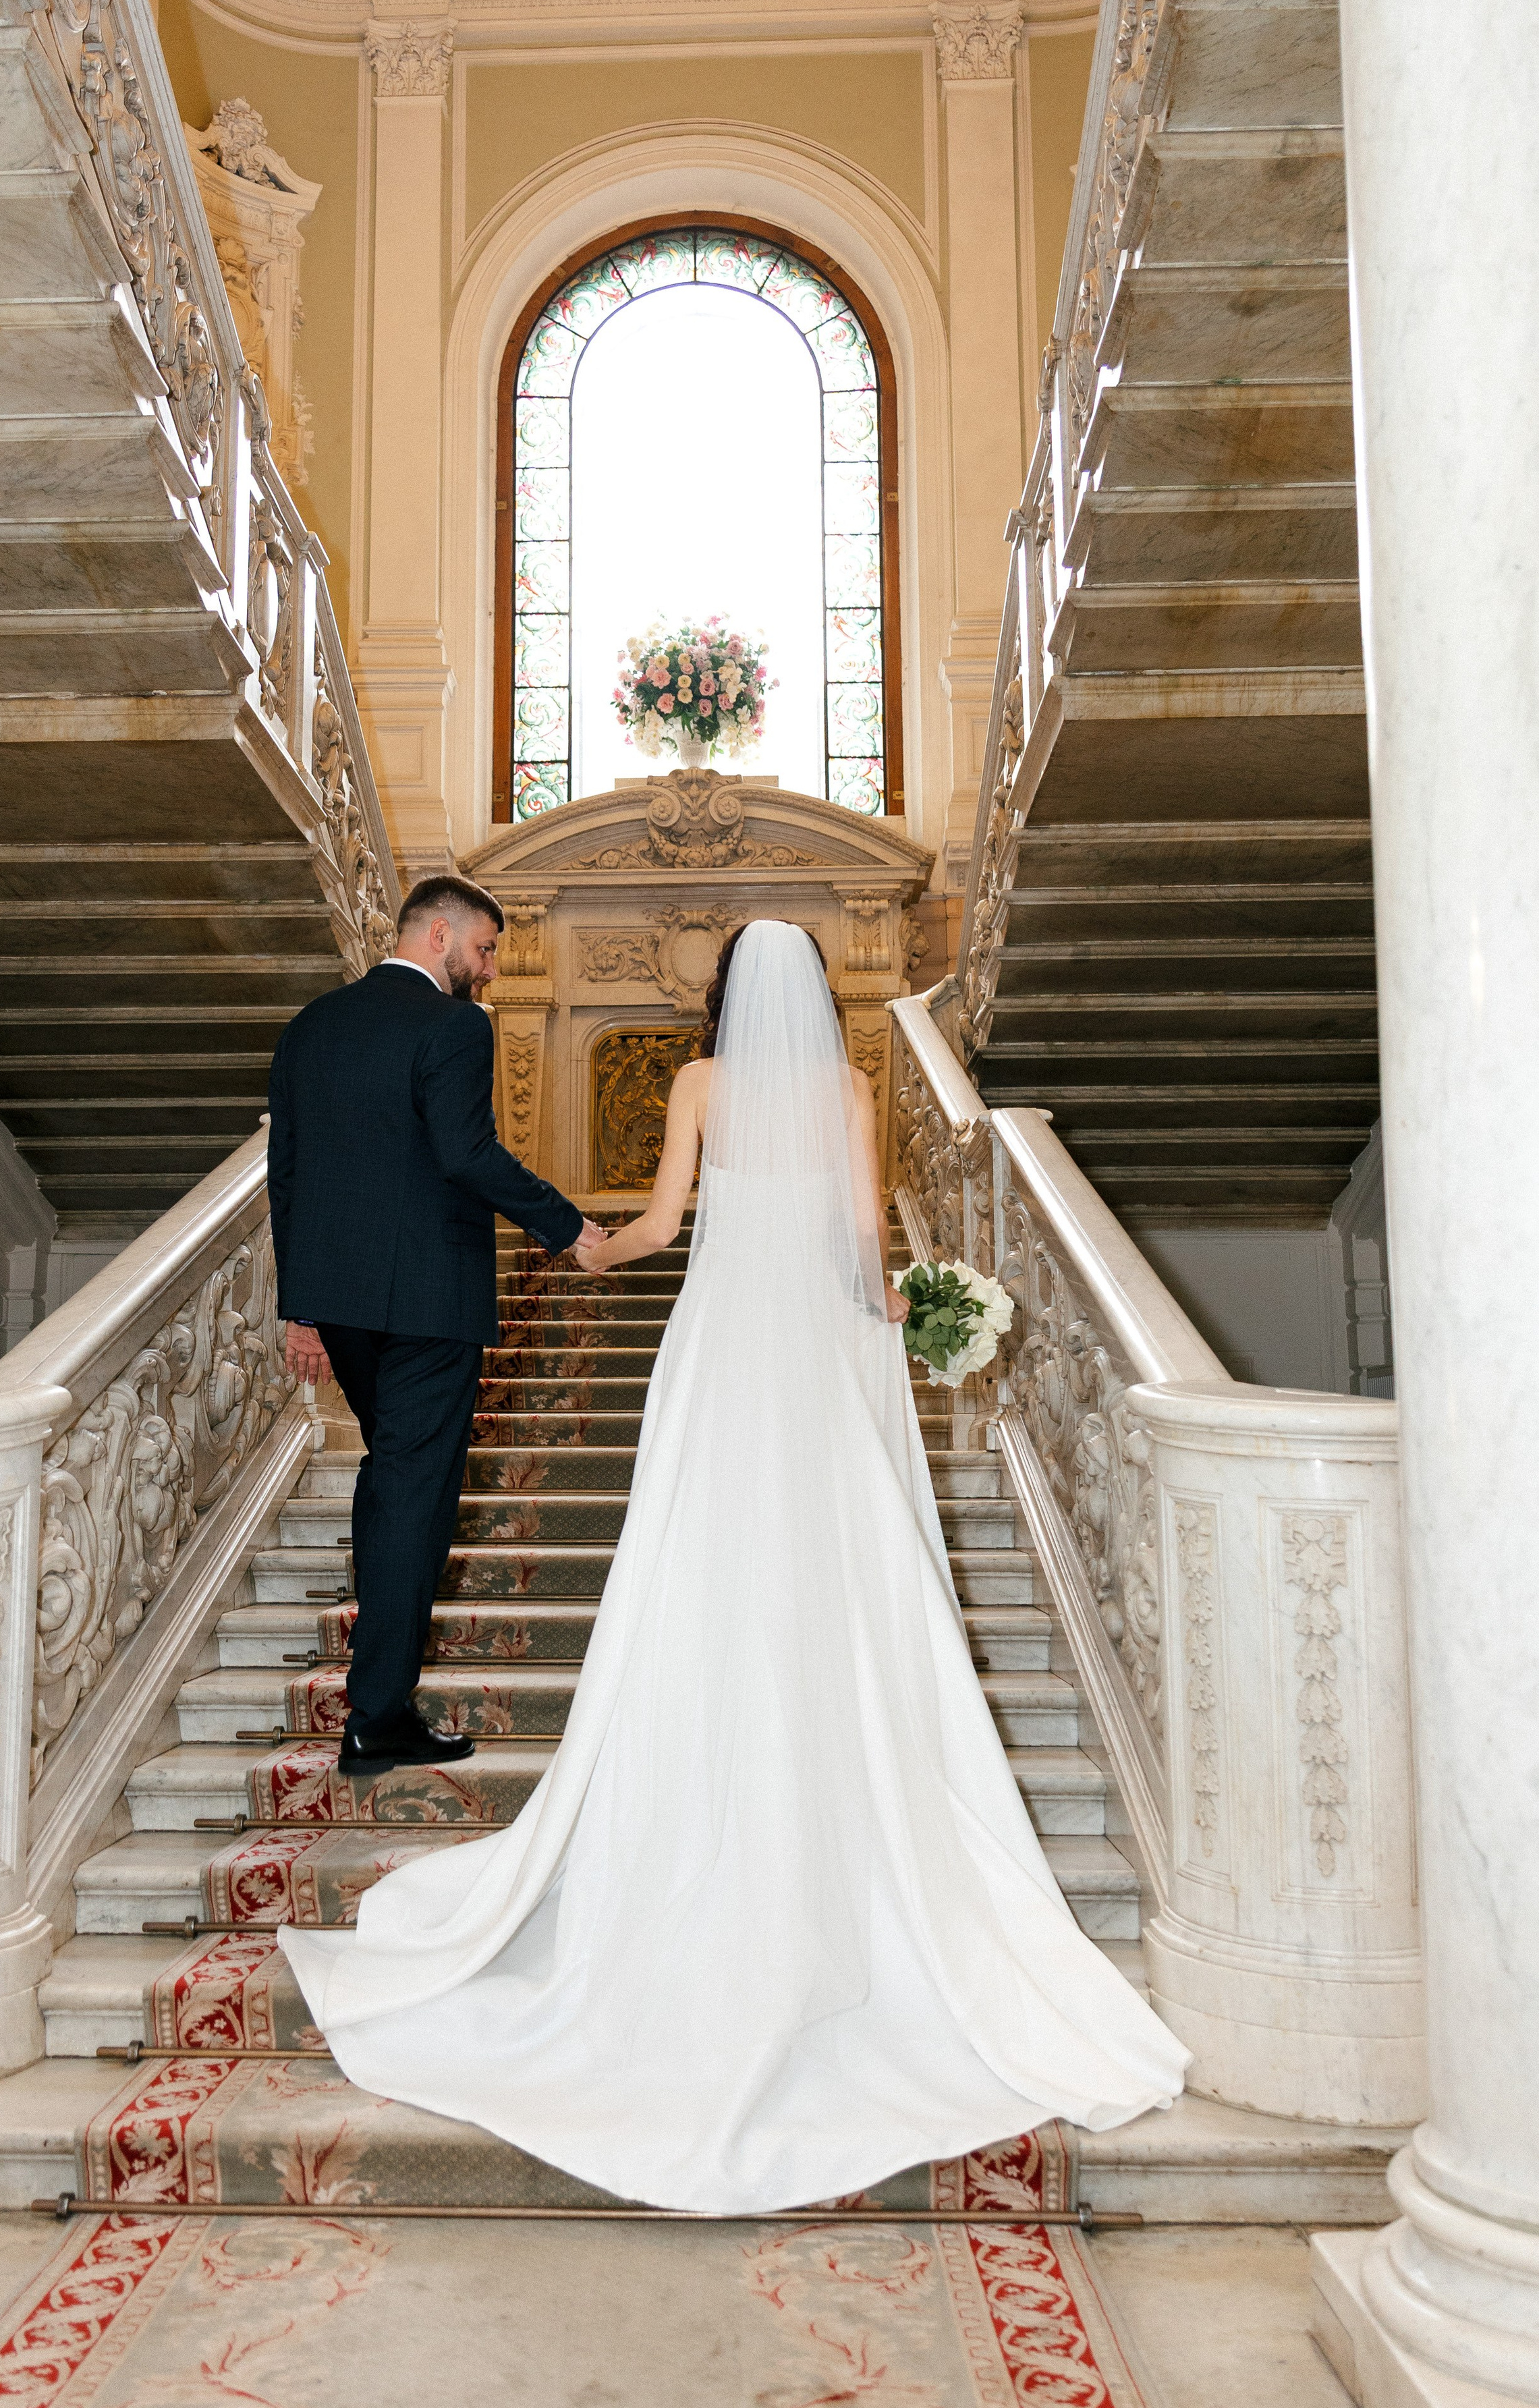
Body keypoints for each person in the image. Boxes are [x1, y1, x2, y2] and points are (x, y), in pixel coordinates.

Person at [280, 919, 1188, 2211]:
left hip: (716, 1349)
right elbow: (864, 1234)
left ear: (724, 996)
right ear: (817, 997)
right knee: (837, 1570)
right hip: (816, 1346)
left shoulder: (699, 1086)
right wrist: (905, 1311)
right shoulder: (850, 1086)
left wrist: (589, 1249)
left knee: (697, 1569)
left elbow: (659, 1225)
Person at [267, 873, 598, 1781]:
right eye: (485, 950)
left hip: (340, 1301)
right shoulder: (457, 1026)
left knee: (390, 1482)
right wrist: (566, 1227)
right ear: (440, 934)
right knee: (414, 1495)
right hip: (426, 1300)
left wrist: (301, 1308)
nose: (488, 972)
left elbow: (285, 1175)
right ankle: (376, 1718)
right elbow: (465, 1153)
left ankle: (378, 1702)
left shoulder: (312, 1026)